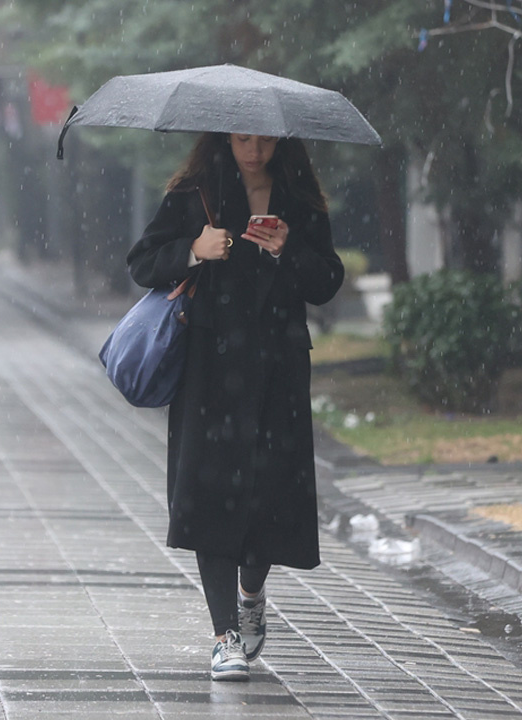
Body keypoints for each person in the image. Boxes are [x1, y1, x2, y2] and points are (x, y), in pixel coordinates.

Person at [126, 133, 344, 681]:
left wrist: (286, 247)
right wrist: (193, 251)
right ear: (224, 136)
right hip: (210, 371)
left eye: (264, 137)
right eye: (243, 137)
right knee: (211, 497)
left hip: (279, 369)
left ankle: (251, 592)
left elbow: (327, 281)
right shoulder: (192, 195)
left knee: (270, 497)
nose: (254, 148)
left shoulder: (299, 199)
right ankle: (224, 635)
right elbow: (142, 262)